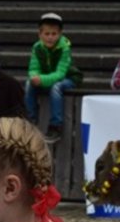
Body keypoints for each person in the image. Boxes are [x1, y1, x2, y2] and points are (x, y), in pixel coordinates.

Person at [25, 13, 82, 143]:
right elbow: (33, 68)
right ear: (40, 34)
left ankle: (56, 126)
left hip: (69, 79)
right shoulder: (37, 47)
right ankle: (30, 122)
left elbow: (60, 73)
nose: (50, 37)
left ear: (60, 34)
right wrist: (34, 77)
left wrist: (42, 80)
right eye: (47, 34)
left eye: (54, 34)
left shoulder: (64, 48)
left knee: (56, 87)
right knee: (29, 84)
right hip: (47, 77)